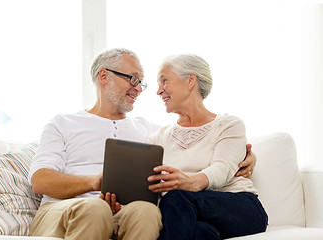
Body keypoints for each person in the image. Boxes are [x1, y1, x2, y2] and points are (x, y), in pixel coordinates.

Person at [28, 48, 256, 240]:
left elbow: (193, 141)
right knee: (95, 208)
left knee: (146, 211)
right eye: (133, 79)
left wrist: (247, 157)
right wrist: (93, 183)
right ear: (104, 76)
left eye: (141, 82)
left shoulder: (149, 131)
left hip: (120, 212)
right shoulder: (63, 123)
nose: (139, 88)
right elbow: (39, 180)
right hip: (64, 210)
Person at [147, 54, 268, 240]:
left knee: (176, 197)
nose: (159, 91)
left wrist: (190, 182)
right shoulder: (158, 138)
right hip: (185, 213)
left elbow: (223, 168)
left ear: (190, 80)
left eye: (164, 81)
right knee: (201, 233)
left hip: (239, 207)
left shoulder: (228, 125)